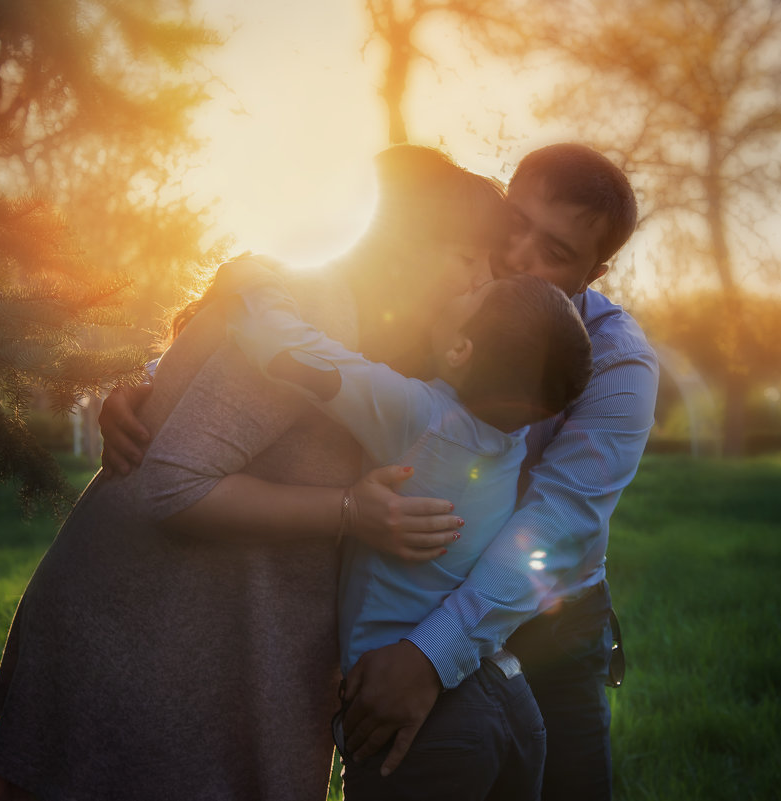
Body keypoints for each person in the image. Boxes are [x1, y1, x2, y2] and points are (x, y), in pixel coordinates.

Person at [101, 143, 659, 801]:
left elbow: (555, 525)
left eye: (555, 252)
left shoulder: (616, 363)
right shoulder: (457, 291)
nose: (514, 256)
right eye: (514, 225)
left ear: (595, 272)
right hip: (408, 598)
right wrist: (162, 384)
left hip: (543, 622)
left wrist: (429, 655)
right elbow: (327, 299)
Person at [0, 145, 508, 801]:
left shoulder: (378, 333)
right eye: (466, 256)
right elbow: (177, 483)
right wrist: (348, 510)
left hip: (217, 625)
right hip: (146, 624)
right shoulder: (317, 307)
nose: (482, 278)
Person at [212, 262, 593, 798]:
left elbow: (285, 349)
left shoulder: (417, 416)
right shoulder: (512, 438)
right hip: (508, 696)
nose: (466, 282)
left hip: (421, 718)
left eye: (480, 291)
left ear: (461, 351)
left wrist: (255, 275)